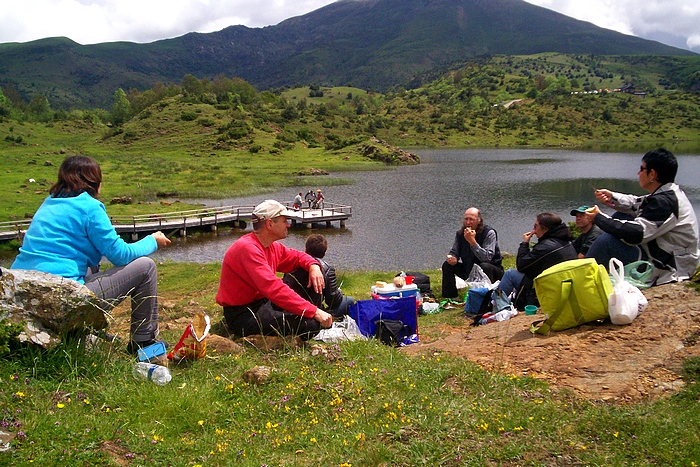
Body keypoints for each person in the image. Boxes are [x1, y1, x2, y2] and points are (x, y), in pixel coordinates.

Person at [11, 155, 171, 353]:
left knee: (91, 266)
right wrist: (152, 241)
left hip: (23, 291)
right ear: (96, 182)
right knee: (146, 267)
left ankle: (87, 335)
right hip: (62, 298)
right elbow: (120, 255)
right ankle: (144, 342)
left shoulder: (49, 203)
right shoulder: (89, 207)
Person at [216, 199, 333, 339]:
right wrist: (314, 312)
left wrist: (313, 266)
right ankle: (317, 320)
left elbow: (297, 257)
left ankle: (317, 318)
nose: (288, 225)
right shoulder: (247, 248)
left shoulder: (270, 246)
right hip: (244, 314)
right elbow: (273, 288)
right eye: (284, 221)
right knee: (310, 325)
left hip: (264, 303)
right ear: (270, 224)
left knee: (307, 271)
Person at [584, 148, 699, 285]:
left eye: (642, 169)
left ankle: (582, 280)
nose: (638, 173)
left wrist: (599, 218)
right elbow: (637, 203)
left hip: (670, 266)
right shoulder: (668, 193)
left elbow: (637, 233)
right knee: (621, 215)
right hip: (666, 253)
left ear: (652, 174)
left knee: (606, 242)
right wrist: (612, 197)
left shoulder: (665, 202)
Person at [498, 212, 577, 308]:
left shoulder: (546, 247)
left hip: (550, 287)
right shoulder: (565, 240)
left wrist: (524, 244)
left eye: (536, 226)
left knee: (510, 274)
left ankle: (496, 306)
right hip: (564, 285)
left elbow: (521, 266)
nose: (534, 230)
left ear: (545, 228)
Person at [283, 234, 355, 317]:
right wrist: (339, 292)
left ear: (306, 249)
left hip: (291, 309)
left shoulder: (293, 264)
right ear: (324, 254)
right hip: (314, 313)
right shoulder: (327, 269)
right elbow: (333, 300)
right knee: (349, 300)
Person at [441, 207, 503, 299]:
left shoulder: (489, 233)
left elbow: (487, 258)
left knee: (484, 266)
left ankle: (487, 297)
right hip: (469, 269)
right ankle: (451, 298)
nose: (468, 222)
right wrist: (453, 258)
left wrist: (473, 242)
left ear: (479, 221)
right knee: (447, 265)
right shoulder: (460, 234)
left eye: (471, 220)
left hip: (491, 271)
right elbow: (454, 251)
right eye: (466, 219)